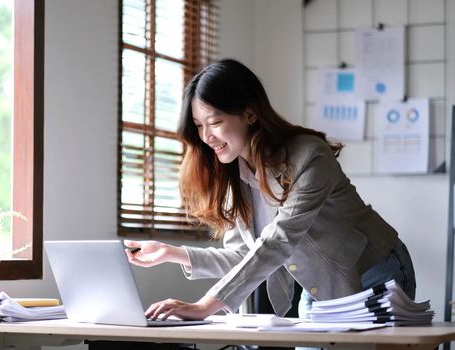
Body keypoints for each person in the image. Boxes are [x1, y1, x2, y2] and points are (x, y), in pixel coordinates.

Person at [124, 58, 416, 322]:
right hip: (319, 287)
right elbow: (245, 255)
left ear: (250, 114)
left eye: (215, 122)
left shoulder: (310, 156)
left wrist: (204, 306)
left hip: (375, 272)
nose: (206, 137)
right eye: (199, 126)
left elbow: (279, 241)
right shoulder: (236, 175)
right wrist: (171, 252)